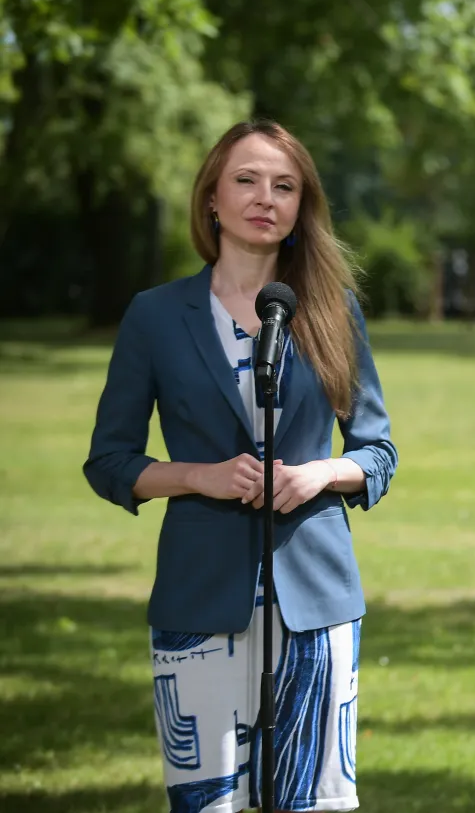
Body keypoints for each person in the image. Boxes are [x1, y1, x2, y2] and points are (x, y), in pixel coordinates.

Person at [84, 119, 398, 813]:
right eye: (247, 180)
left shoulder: (333, 312)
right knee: (208, 804)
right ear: (212, 201)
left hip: (317, 601)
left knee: (314, 802)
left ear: (299, 209)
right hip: (201, 599)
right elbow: (109, 461)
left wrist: (320, 473)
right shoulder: (155, 316)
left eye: (284, 186)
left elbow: (377, 450)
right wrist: (199, 475)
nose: (266, 196)